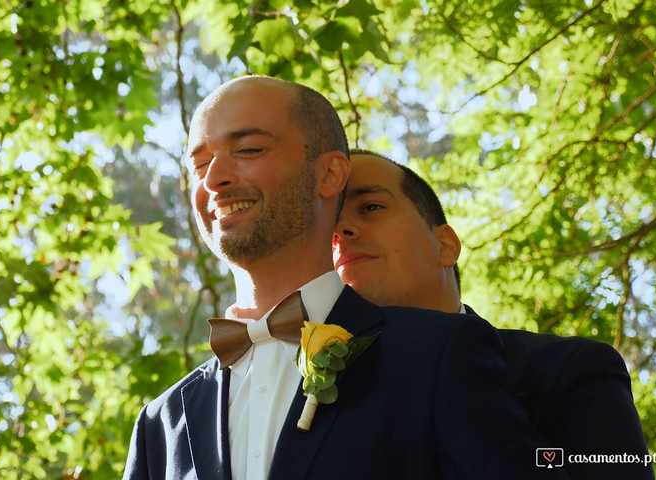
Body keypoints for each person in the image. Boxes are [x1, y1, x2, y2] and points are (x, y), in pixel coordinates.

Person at [123, 76, 565, 479]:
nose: (214, 178)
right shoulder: (160, 422)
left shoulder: (439, 354)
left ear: (330, 173)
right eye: (199, 166)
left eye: (249, 149)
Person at [333, 149, 655, 479]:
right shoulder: (314, 400)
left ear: (445, 244)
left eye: (370, 207)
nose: (341, 232)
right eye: (327, 226)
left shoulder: (568, 370)